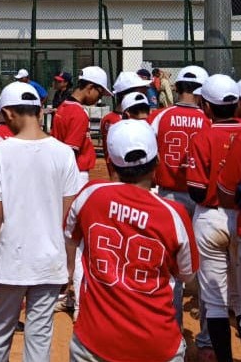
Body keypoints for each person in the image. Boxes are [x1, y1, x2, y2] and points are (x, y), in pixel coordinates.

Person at [65, 120, 197, 362]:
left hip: (95, 339)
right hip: (156, 344)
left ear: (110, 163)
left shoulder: (91, 194)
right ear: (157, 162)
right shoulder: (173, 214)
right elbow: (187, 274)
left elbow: (70, 237)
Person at [0, 82, 80, 362]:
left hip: (12, 260)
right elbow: (68, 217)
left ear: (9, 113)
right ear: (39, 111)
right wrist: (69, 265)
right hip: (50, 260)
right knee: (40, 336)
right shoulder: (63, 152)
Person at [149, 65, 211, 354]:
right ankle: (207, 339)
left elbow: (149, 152)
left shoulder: (161, 116)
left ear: (180, 87)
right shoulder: (208, 119)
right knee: (206, 270)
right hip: (202, 199)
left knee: (172, 270)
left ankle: (174, 335)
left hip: (169, 196)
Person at [186, 74, 241, 362]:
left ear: (206, 107)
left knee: (216, 302)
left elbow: (196, 191)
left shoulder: (203, 136)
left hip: (210, 218)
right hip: (240, 217)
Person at [50, 66, 112, 317]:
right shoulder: (77, 113)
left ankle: (66, 296)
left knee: (67, 239)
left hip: (64, 178)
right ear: (89, 87)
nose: (99, 98)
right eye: (99, 92)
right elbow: (70, 153)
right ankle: (79, 305)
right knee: (78, 241)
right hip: (74, 176)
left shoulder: (63, 107)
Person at [100, 71, 149, 180]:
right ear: (128, 94)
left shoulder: (108, 119)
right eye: (140, 90)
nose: (144, 92)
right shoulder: (116, 121)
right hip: (128, 178)